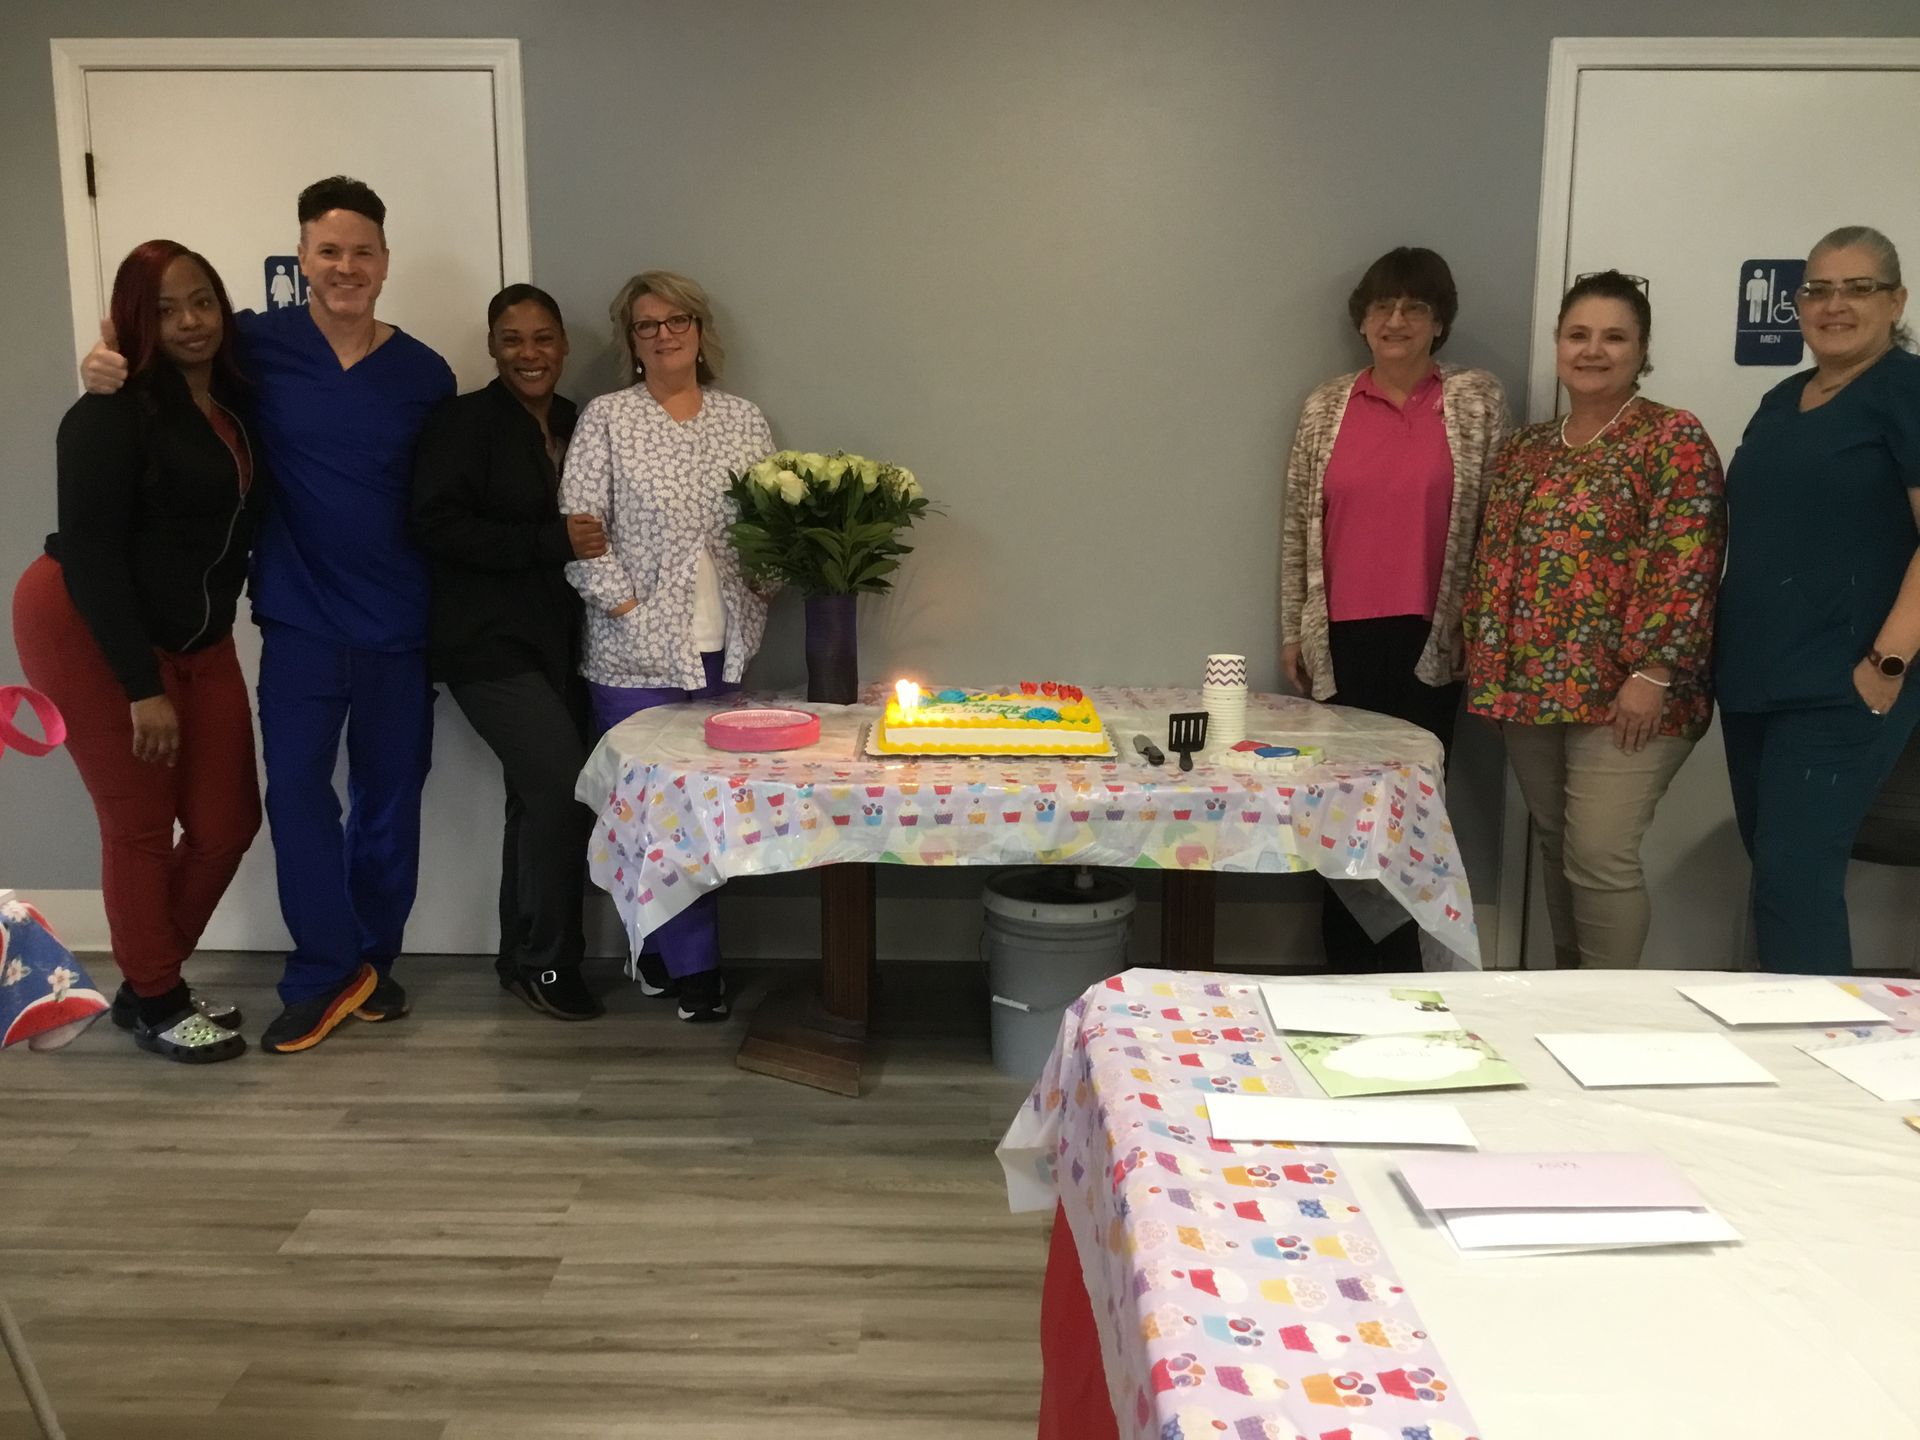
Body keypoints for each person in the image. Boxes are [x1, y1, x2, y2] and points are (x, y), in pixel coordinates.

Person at [83, 176, 456, 1052]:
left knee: (389, 799)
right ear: (303, 258)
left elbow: (443, 498)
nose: (346, 267)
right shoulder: (256, 345)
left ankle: (374, 959)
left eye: (362, 251)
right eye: (329, 251)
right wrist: (103, 362)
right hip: (300, 619)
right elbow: (162, 364)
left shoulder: (425, 372)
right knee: (295, 797)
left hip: (401, 622)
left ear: (385, 262)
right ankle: (323, 967)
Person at [12, 241, 265, 1062]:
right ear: (131, 320)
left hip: (199, 634)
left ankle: (146, 978)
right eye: (163, 308)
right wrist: (137, 685)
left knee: (228, 821)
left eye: (202, 302)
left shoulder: (233, 396)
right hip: (90, 625)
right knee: (141, 823)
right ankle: (156, 997)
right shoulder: (106, 413)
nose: (189, 322)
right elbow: (90, 553)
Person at [1465, 270, 1726, 970]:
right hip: (1532, 692)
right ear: (1557, 343)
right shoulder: (1526, 450)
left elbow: (1688, 557)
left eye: (1615, 337)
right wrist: (1490, 672)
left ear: (1642, 351)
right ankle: (1568, 994)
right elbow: (1495, 566)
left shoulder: (1671, 437)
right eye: (1579, 334)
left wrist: (1653, 670)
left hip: (1629, 693)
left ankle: (1612, 1014)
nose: (1594, 349)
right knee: (1559, 845)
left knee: (1599, 853)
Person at [1279, 246, 1510, 971]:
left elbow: (1496, 521)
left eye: (1414, 307)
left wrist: (1478, 622)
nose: (1397, 320)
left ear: (1439, 321)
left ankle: (1404, 983)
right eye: (1383, 307)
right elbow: (1297, 524)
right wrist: (1295, 624)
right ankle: (1345, 975)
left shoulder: (1474, 400)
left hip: (1431, 639)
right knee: (1340, 812)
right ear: (1362, 320)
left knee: (1412, 817)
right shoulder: (1327, 406)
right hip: (1342, 637)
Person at [559, 270, 774, 1022]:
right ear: (632, 341)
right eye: (645, 325)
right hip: (632, 655)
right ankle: (696, 971)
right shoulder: (607, 419)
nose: (662, 333)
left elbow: (767, 520)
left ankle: (664, 950)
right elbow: (580, 528)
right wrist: (624, 604)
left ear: (699, 330)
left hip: (725, 649)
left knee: (706, 819)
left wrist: (774, 581)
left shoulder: (743, 419)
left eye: (675, 319)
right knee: (652, 817)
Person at [1716, 226, 1920, 975]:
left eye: (1858, 288)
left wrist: (1888, 659)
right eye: (1818, 289)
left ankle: (1821, 1055)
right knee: (1774, 874)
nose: (1835, 304)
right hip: (1755, 677)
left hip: (1844, 680)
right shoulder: (1780, 397)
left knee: (1797, 881)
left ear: (1895, 300)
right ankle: (1787, 1036)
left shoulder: (1906, 388)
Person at [412, 284, 606, 1022]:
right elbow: (435, 526)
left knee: (536, 795)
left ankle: (518, 956)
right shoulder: (462, 423)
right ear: (492, 348)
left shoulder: (576, 421)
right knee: (561, 786)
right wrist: (546, 542)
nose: (530, 353)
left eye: (544, 337)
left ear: (562, 345)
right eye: (513, 339)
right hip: (484, 645)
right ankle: (551, 962)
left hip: (560, 643)